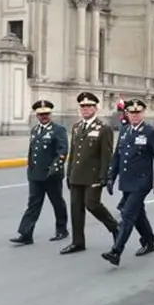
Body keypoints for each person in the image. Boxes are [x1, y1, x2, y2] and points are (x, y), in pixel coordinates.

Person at [101, 99, 154, 265]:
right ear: (127, 114)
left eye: (138, 113)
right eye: (132, 113)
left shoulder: (150, 132)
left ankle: (116, 251)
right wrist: (111, 176)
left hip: (142, 181)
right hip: (127, 180)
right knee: (138, 213)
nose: (135, 116)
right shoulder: (124, 130)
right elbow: (117, 156)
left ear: (143, 113)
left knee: (127, 214)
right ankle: (148, 240)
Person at [61, 92, 120, 255]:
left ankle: (115, 227)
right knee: (75, 208)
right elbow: (73, 153)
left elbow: (106, 155)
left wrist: (104, 177)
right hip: (77, 175)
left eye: (89, 106)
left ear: (96, 108)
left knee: (92, 204)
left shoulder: (104, 128)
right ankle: (78, 242)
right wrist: (69, 173)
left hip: (93, 176)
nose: (85, 109)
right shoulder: (77, 127)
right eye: (83, 106)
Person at [10, 100, 69, 245]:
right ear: (36, 115)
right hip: (36, 175)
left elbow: (62, 151)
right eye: (41, 114)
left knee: (57, 203)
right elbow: (32, 153)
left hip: (51, 175)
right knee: (33, 204)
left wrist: (55, 168)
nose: (44, 116)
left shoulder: (58, 130)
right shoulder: (35, 130)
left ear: (50, 114)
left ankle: (62, 229)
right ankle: (26, 233)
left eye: (46, 114)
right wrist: (30, 170)